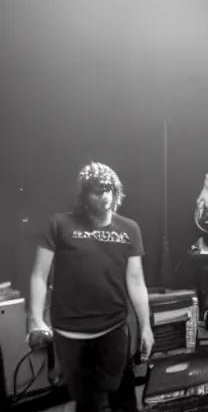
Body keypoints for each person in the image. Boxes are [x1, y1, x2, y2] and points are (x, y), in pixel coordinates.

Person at [28, 162, 154, 412]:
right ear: (84, 196)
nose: (104, 195)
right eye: (97, 190)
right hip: (71, 332)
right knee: (89, 403)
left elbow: (136, 280)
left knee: (123, 397)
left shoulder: (129, 228)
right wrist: (36, 319)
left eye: (108, 189)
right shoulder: (60, 224)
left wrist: (146, 327)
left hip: (114, 327)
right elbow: (39, 275)